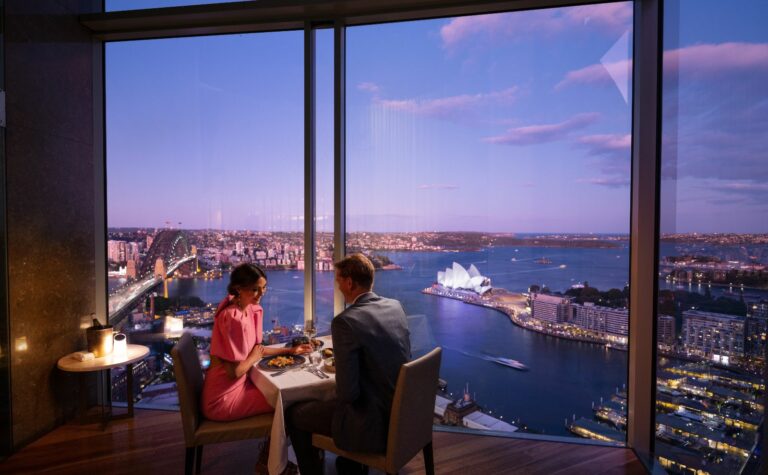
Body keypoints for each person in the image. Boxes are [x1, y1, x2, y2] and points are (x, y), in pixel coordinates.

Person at [286, 254, 411, 475]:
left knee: (295, 414)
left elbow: (348, 394)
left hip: (371, 423)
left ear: (350, 282)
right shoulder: (395, 307)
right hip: (400, 414)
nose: (337, 286)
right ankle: (350, 465)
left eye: (338, 281)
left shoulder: (345, 321)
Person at [201, 263, 312, 422]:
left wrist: (290, 351)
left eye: (264, 288)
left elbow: (257, 350)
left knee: (290, 395)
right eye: (255, 289)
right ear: (239, 289)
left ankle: (271, 445)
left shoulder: (250, 309)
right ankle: (277, 446)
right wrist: (253, 357)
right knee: (291, 402)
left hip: (241, 386)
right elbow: (235, 372)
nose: (261, 294)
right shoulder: (232, 318)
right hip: (222, 399)